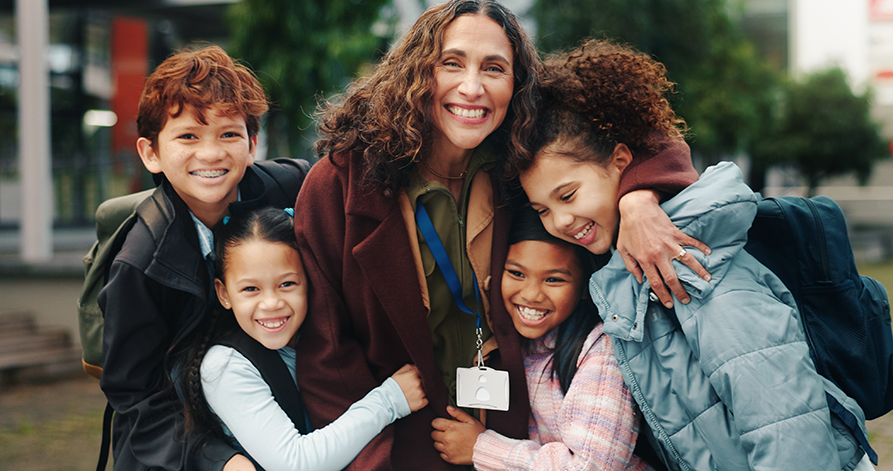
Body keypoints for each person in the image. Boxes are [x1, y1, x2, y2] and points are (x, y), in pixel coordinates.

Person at [295, 1, 704, 469]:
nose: (472, 87)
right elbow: (327, 352)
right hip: (400, 449)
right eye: (451, 63)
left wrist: (637, 198)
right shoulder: (342, 182)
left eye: (493, 68)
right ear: (415, 72)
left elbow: (645, 134)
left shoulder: (522, 153)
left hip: (512, 442)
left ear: (517, 83)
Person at [512, 38, 874, 470]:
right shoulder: (625, 266)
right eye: (542, 210)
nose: (560, 221)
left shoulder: (693, 262)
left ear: (620, 161)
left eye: (568, 195)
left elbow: (787, 429)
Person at [98, 45, 310, 471]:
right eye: (188, 137)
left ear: (252, 144)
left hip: (277, 417)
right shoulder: (139, 263)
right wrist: (219, 461)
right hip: (181, 447)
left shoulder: (293, 189)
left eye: (229, 134)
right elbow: (136, 398)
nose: (211, 153)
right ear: (150, 153)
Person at [173, 207, 428, 471]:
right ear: (224, 294)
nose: (271, 303)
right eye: (250, 289)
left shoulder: (328, 337)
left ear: (310, 280)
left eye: (287, 284)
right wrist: (390, 400)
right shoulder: (225, 366)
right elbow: (295, 463)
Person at [430, 206, 655, 470]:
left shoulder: (600, 350)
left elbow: (589, 466)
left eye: (553, 280)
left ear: (585, 287)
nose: (532, 294)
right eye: (517, 273)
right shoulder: (510, 340)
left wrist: (482, 448)